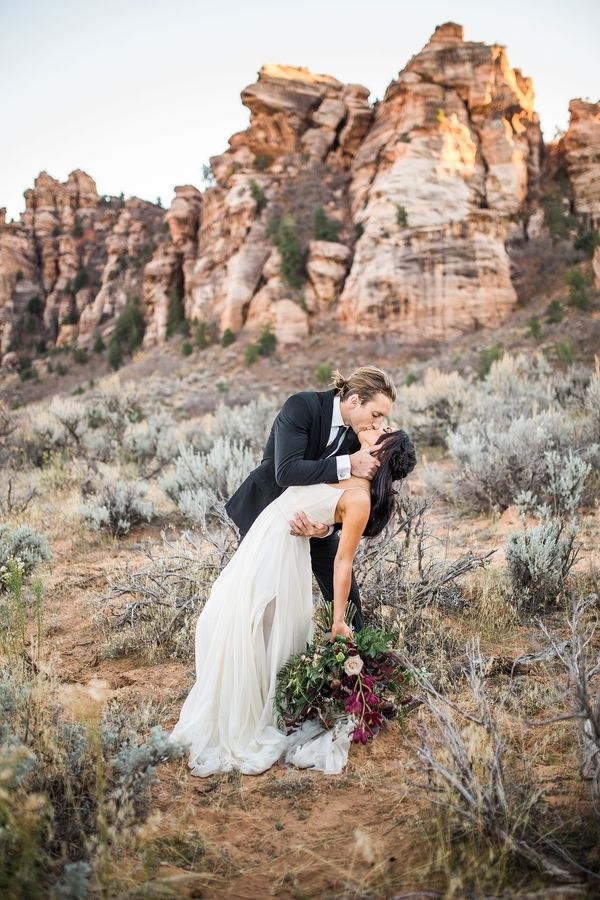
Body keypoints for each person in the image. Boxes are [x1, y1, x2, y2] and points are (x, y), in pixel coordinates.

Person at [170, 425, 417, 776]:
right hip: (266, 535)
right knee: (223, 618)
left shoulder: (360, 499)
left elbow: (343, 562)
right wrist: (323, 527)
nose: (376, 426)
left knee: (247, 620)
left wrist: (338, 620)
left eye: (382, 432)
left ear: (381, 456)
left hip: (280, 550)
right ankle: (240, 707)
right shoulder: (347, 463)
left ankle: (250, 718)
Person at [225, 366, 397, 629]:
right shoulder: (302, 406)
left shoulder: (359, 433)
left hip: (315, 521)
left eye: (383, 418)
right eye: (376, 414)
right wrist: (348, 463)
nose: (378, 423)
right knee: (256, 597)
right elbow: (286, 471)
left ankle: (356, 655)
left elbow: (345, 496)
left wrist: (325, 528)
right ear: (354, 400)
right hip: (268, 512)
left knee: (347, 592)